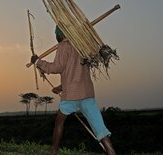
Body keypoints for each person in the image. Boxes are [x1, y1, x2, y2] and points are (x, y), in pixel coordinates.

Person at [30, 26, 116, 155]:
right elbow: (75, 73)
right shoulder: (81, 46)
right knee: (100, 128)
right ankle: (111, 151)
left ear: (59, 35)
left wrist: (38, 62)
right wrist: (60, 87)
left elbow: (56, 68)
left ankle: (54, 151)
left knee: (59, 122)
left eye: (56, 34)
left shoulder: (63, 46)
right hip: (87, 94)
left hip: (71, 97)